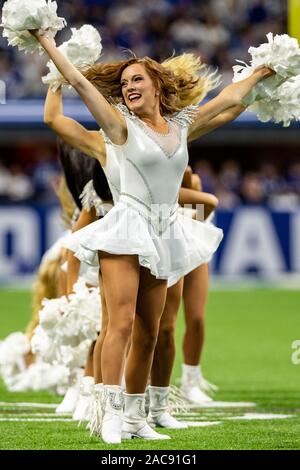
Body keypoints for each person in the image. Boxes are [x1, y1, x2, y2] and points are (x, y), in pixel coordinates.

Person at [31, 28, 273, 444]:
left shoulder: (179, 127)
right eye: (124, 84)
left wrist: (268, 70)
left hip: (164, 231)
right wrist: (47, 43)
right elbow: (79, 84)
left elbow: (228, 102)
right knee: (119, 325)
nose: (128, 88)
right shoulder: (118, 127)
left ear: (158, 85)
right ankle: (108, 414)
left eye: (137, 80)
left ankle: (135, 416)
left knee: (150, 329)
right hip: (126, 228)